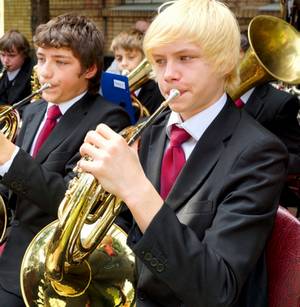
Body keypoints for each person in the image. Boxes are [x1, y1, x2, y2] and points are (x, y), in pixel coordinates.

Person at [79, 1, 288, 306]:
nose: (168, 74)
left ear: (226, 62)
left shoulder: (260, 154)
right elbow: (127, 231)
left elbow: (217, 289)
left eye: (185, 58)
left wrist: (135, 188)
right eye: (160, 61)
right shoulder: (150, 131)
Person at [0, 13, 131, 306]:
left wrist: (9, 157)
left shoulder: (108, 120)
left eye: (60, 62)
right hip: (8, 251)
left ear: (89, 69)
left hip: (48, 270)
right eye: (42, 58)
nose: (45, 72)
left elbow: (72, 202)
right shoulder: (31, 113)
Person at [238, 31, 300, 210]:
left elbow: (296, 160)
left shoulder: (280, 102)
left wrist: (257, 160)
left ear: (245, 54)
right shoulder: (215, 94)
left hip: (261, 198)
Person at [108, 28, 164, 119]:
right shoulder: (114, 87)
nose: (123, 63)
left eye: (131, 57)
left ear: (143, 58)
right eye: (119, 58)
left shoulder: (157, 90)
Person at [0, 30, 35, 113]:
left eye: (11, 56)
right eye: (2, 54)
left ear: (24, 54)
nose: (5, 60)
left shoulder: (33, 72)